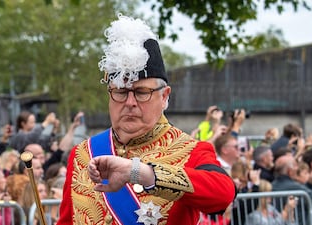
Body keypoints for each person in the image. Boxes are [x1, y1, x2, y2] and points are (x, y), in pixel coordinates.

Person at [57, 14, 235, 225]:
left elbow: (223, 194)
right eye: (121, 92)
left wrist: (141, 172)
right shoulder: (82, 154)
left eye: (142, 92)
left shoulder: (191, 151)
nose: (130, 102)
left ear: (165, 96)